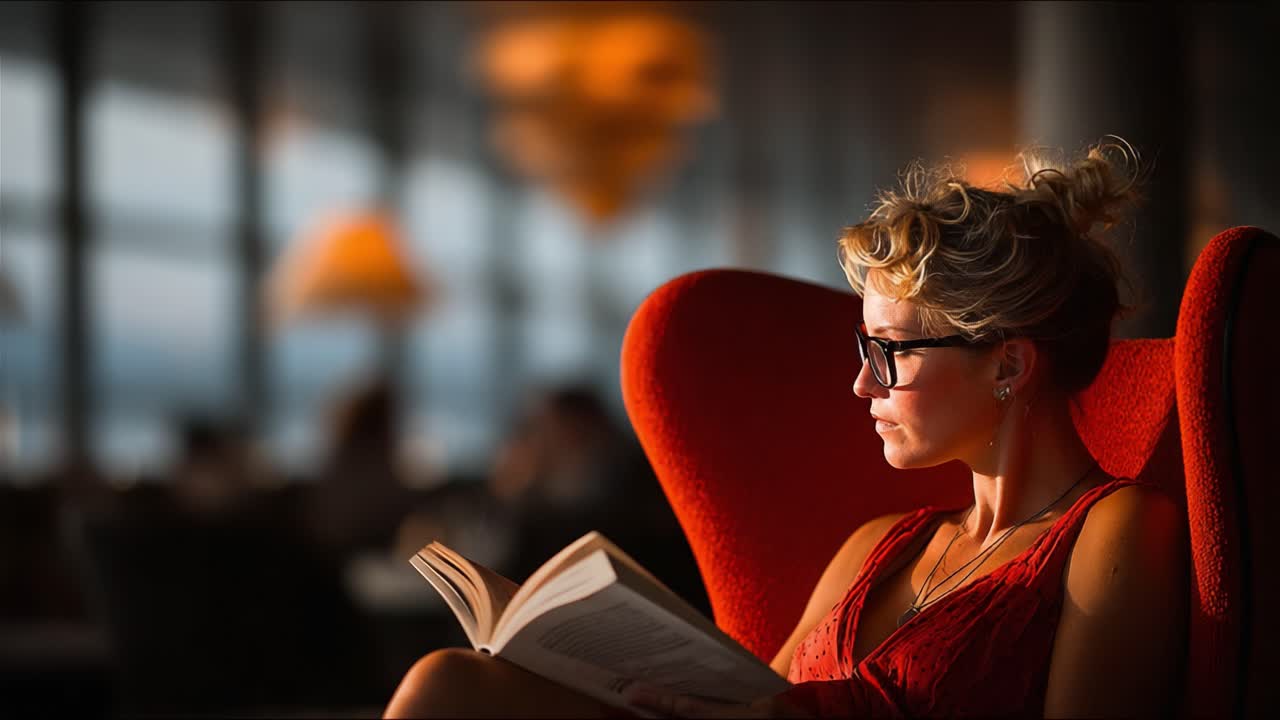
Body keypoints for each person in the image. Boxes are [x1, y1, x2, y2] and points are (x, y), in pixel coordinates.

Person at [381, 138, 1188, 718]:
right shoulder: (880, 545)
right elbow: (749, 695)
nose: (860, 382)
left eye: (890, 352)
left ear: (1009, 366)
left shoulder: (1113, 532)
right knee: (451, 683)